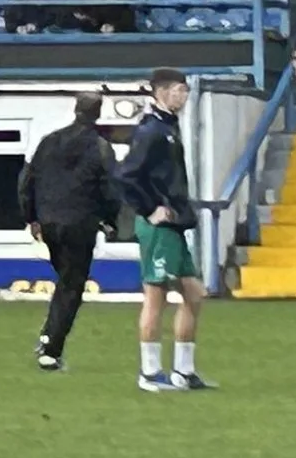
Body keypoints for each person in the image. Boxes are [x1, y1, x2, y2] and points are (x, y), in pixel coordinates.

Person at [119, 66, 210, 391]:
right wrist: (150, 208)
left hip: (175, 225)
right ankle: (149, 372)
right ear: (161, 92)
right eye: (179, 90)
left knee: (194, 295)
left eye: (185, 90)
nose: (184, 96)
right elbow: (126, 175)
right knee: (155, 296)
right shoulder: (151, 131)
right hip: (158, 227)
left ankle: (183, 372)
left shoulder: (168, 127)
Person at [19, 92, 120, 372]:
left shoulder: (48, 142)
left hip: (49, 223)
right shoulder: (101, 147)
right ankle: (50, 347)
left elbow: (27, 181)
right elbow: (110, 188)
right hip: (80, 224)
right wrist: (110, 221)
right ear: (98, 113)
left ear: (75, 109)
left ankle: (48, 336)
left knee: (66, 281)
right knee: (71, 285)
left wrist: (31, 218)